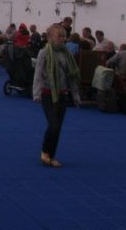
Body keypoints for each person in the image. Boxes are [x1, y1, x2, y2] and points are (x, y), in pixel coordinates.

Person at [32, 24, 80, 168]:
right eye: (59, 36)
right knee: (53, 125)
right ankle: (45, 151)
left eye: (64, 36)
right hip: (47, 94)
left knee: (58, 127)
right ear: (50, 37)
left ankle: (51, 156)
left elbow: (71, 77)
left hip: (63, 95)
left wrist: (76, 95)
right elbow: (38, 74)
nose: (63, 39)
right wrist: (36, 93)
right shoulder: (44, 53)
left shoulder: (67, 54)